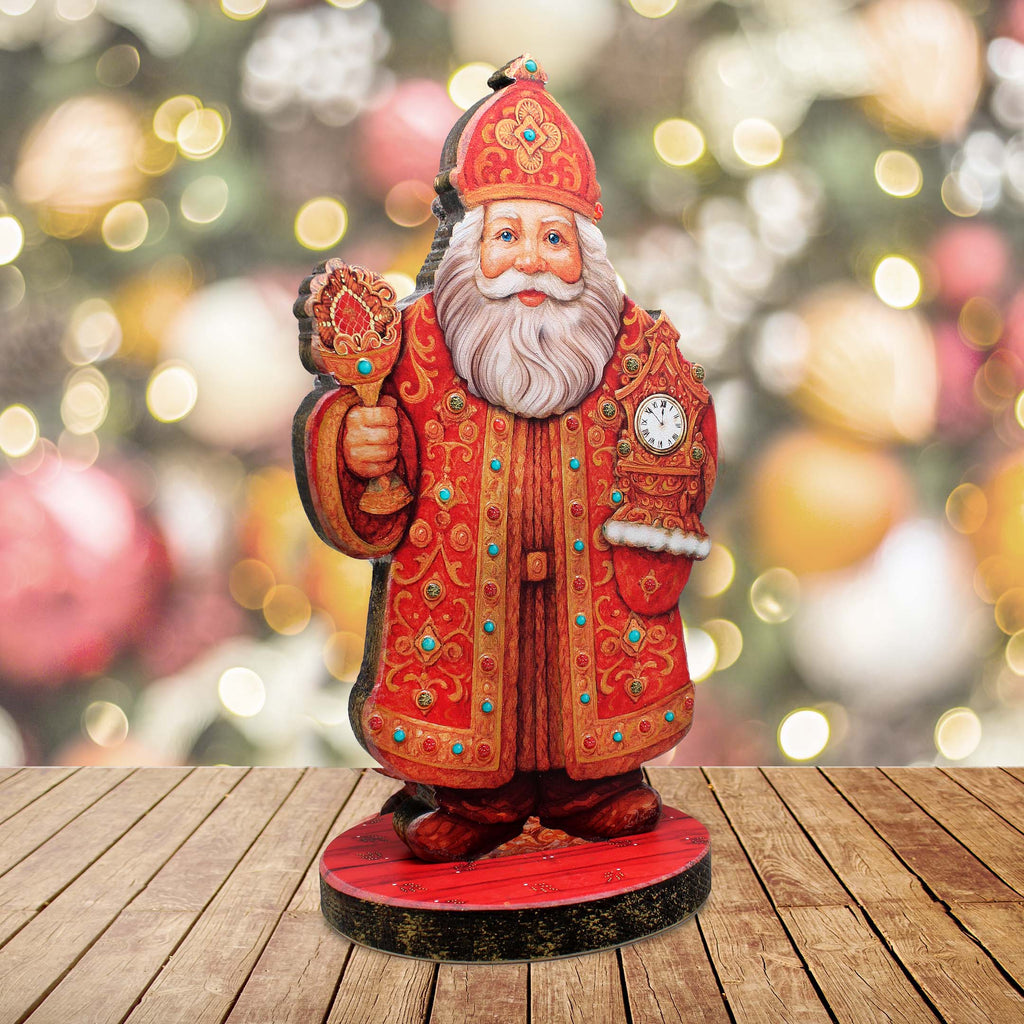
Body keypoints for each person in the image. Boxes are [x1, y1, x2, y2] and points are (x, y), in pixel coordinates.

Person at [295, 55, 717, 862]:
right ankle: (473, 803)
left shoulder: (632, 344)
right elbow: (367, 458)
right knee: (473, 713)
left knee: (579, 703)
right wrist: (356, 442)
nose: (531, 260)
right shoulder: (415, 341)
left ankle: (589, 789)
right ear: (469, 245)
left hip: (593, 590)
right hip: (460, 593)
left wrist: (666, 462)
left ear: (587, 254)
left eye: (554, 239)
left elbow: (682, 432)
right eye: (508, 236)